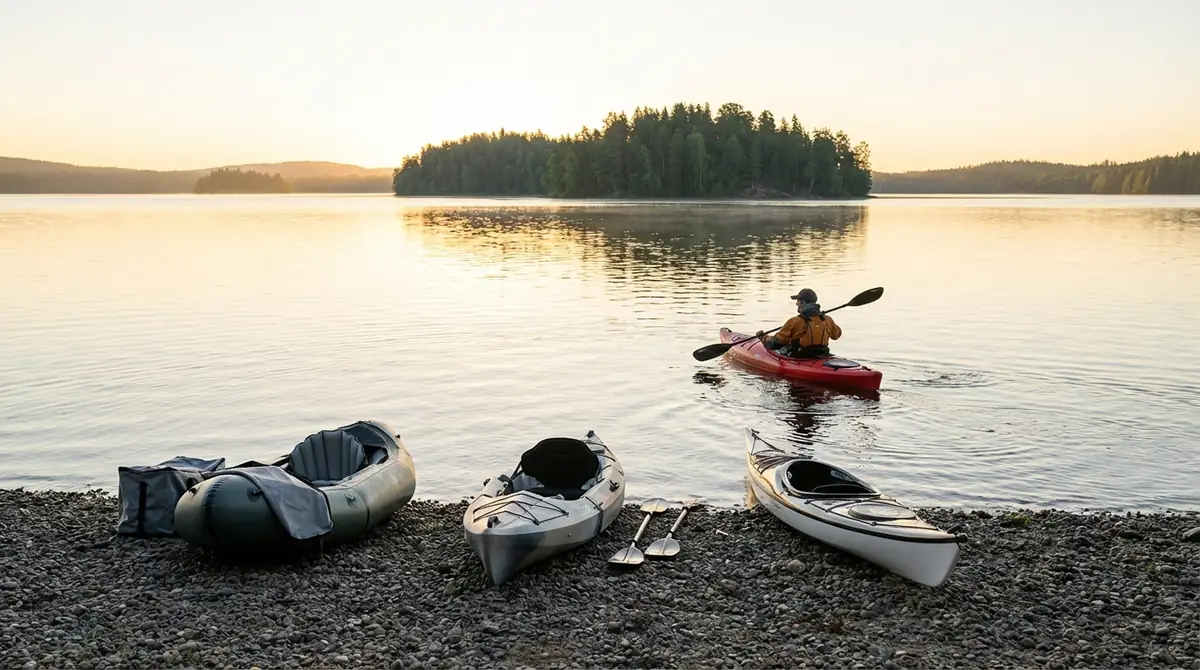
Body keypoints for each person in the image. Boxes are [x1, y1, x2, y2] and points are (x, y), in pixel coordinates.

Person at [756, 288, 842, 358]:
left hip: (800, 356)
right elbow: (836, 335)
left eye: (798, 301)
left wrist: (763, 337)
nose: (796, 303)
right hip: (823, 355)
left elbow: (775, 343)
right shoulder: (827, 319)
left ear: (802, 303)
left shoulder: (795, 321)